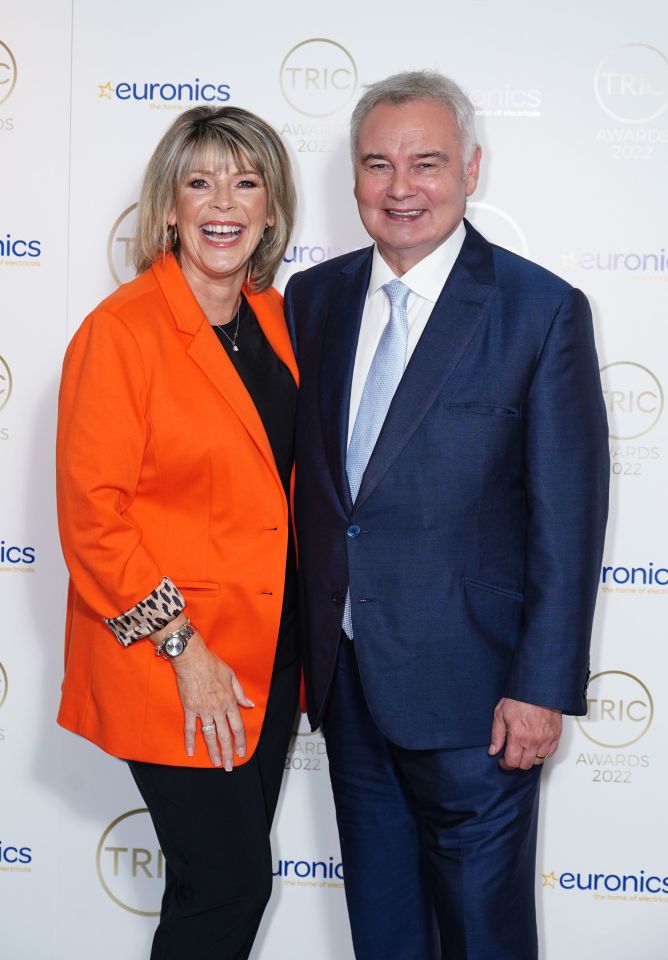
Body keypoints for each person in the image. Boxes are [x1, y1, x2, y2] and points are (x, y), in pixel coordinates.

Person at [285, 71, 609, 959]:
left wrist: (543, 687)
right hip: (348, 686)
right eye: (377, 165)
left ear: (471, 168)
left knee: (482, 936)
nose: (401, 189)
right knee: (383, 934)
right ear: (352, 180)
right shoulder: (312, 303)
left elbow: (568, 520)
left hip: (480, 701)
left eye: (426, 164)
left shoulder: (540, 312)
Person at [56, 105, 298, 960]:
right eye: (200, 182)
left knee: (212, 886)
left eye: (246, 181)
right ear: (168, 206)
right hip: (183, 664)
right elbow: (93, 518)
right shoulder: (120, 333)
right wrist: (184, 649)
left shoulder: (273, 319)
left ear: (272, 208)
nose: (222, 202)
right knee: (233, 882)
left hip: (269, 655)